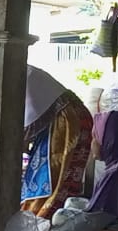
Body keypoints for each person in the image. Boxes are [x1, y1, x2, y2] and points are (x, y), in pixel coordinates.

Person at [22, 64, 93, 220]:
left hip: (66, 121)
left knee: (52, 175)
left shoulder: (15, 73)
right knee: (59, 174)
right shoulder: (20, 69)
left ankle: (40, 218)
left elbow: (21, 134)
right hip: (72, 116)